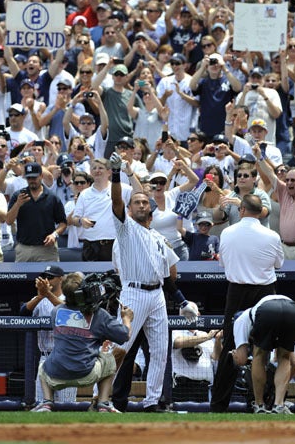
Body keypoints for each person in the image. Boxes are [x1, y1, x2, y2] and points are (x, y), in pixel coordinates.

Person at [109, 151, 185, 412]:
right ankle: (103, 398)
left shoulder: (157, 238)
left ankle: (152, 400)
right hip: (133, 294)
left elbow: (168, 276)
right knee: (121, 348)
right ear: (130, 210)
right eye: (137, 202)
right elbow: (117, 202)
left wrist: (182, 302)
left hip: (157, 295)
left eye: (144, 202)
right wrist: (117, 176)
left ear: (150, 209)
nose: (141, 205)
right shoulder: (126, 228)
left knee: (160, 350)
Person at [210, 194, 284, 413]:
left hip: (237, 292)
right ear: (260, 211)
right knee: (263, 348)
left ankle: (218, 405)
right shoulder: (271, 235)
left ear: (241, 210)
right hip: (264, 293)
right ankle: (262, 401)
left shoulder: (227, 232)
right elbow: (279, 263)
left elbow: (223, 262)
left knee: (231, 348)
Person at [31, 271, 133, 413]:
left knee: (43, 364)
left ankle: (47, 403)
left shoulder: (55, 312)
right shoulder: (98, 315)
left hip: (55, 375)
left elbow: (69, 308)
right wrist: (126, 318)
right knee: (110, 357)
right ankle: (103, 403)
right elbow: (125, 336)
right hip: (87, 374)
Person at [232, 295, 295, 414]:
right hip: (294, 310)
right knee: (284, 357)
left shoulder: (240, 321)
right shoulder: (255, 312)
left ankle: (259, 405)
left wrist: (234, 356)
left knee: (259, 355)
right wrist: (278, 387)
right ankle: (279, 405)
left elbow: (241, 359)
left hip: (268, 311)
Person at [20, 265, 77, 404]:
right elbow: (23, 311)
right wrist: (40, 295)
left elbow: (66, 309)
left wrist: (47, 294)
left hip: (66, 358)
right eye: (44, 277)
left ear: (61, 279)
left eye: (50, 277)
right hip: (45, 358)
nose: (47, 280)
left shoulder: (70, 297)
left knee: (66, 405)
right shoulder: (40, 299)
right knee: (41, 404)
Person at [72, 157, 142, 262]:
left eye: (101, 168)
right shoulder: (84, 194)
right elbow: (74, 219)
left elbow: (138, 192)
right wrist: (81, 221)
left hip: (116, 244)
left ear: (109, 171)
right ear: (90, 172)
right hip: (91, 246)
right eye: (94, 168)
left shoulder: (120, 188)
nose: (97, 170)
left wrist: (130, 173)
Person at [6, 162, 67, 262]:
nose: (31, 181)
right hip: (24, 249)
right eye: (29, 178)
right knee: (21, 277)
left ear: (41, 176)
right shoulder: (18, 196)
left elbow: (63, 223)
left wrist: (54, 235)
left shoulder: (52, 197)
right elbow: (8, 221)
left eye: (34, 177)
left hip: (46, 250)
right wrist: (18, 204)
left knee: (50, 277)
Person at [253, 144, 295, 259]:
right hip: (284, 248)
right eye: (287, 180)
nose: (289, 183)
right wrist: (260, 157)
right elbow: (270, 173)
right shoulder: (284, 191)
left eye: (293, 180)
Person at [172, 302, 223, 403]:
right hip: (182, 387)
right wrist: (207, 337)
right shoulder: (174, 332)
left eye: (190, 313)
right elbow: (178, 343)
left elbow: (216, 357)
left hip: (203, 388)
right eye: (184, 314)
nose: (187, 316)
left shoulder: (204, 334)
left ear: (198, 315)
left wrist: (217, 340)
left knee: (204, 418)